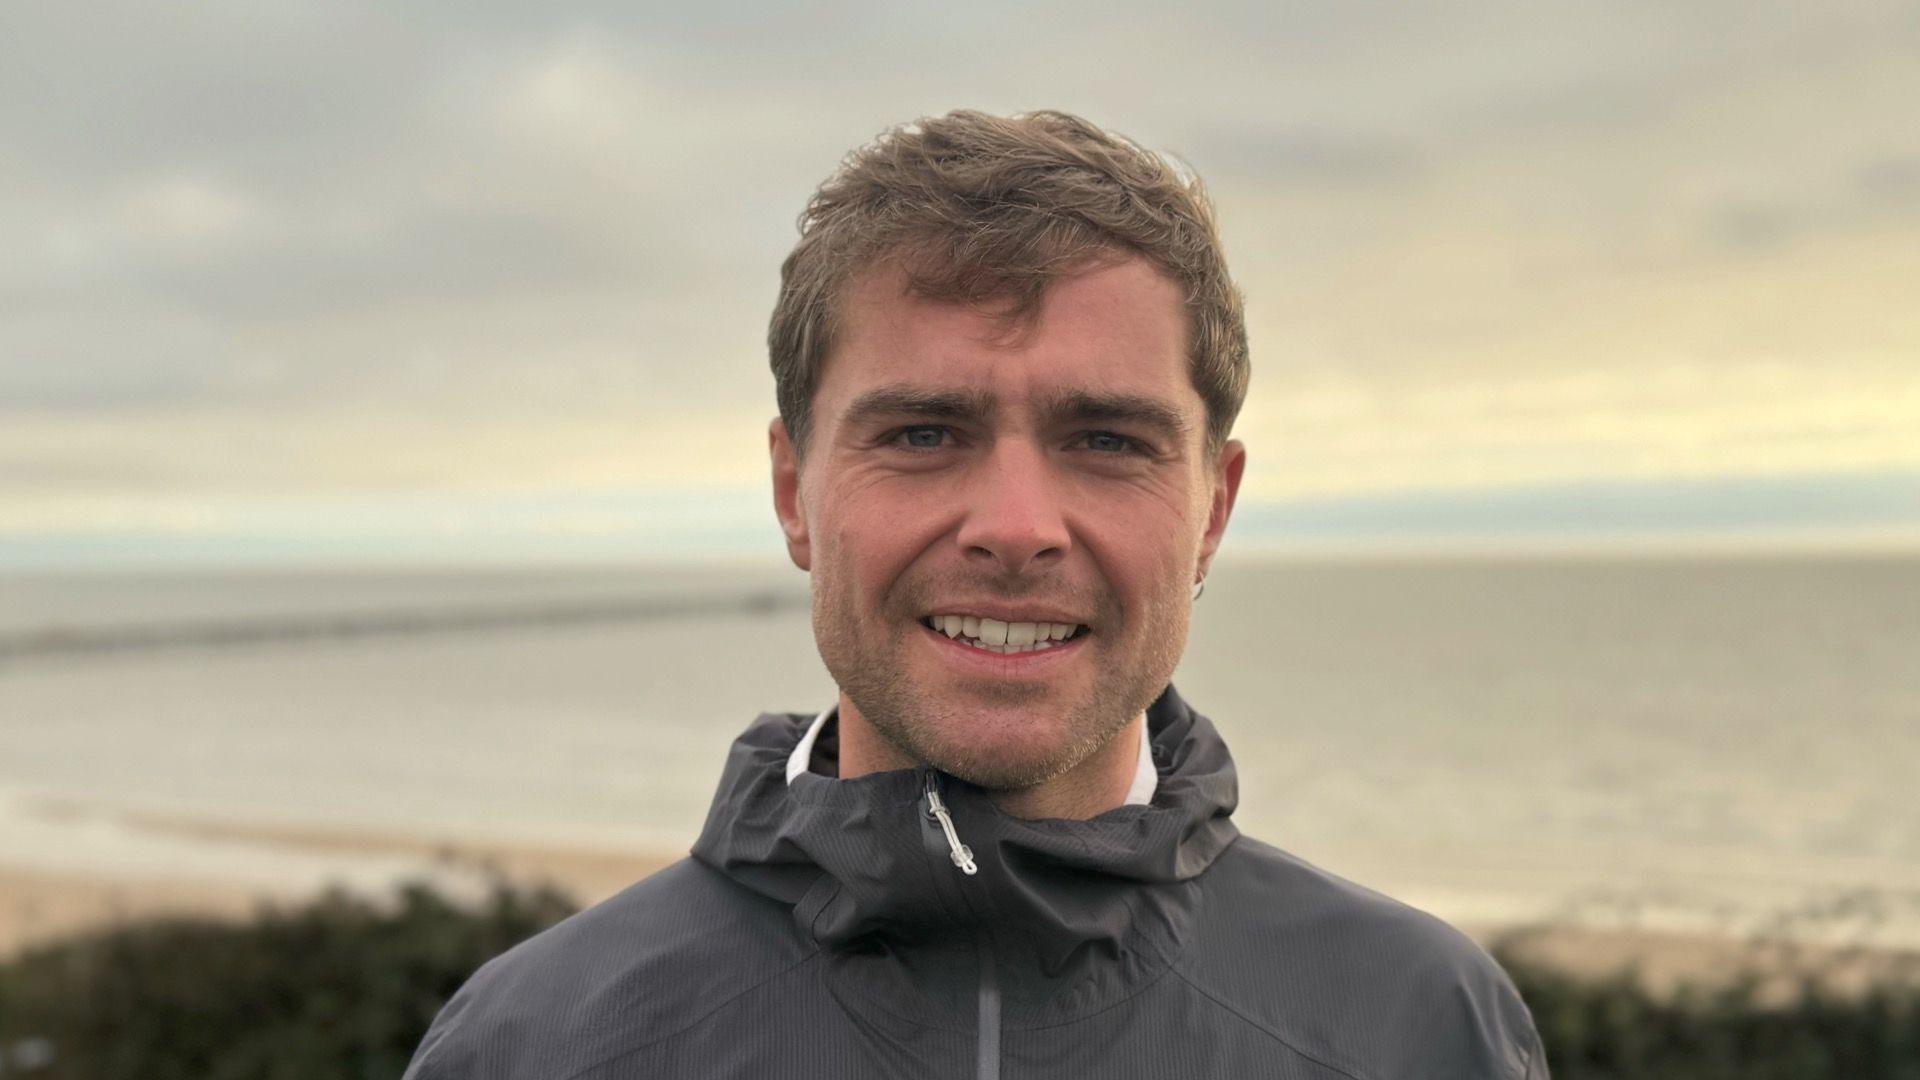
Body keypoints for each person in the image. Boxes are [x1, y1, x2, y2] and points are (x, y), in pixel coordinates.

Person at [404, 109, 1549, 1080]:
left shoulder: (1419, 1029)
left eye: (1106, 439)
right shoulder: (538, 1045)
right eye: (922, 432)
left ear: (1212, 507)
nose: (1013, 529)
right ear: (795, 491)